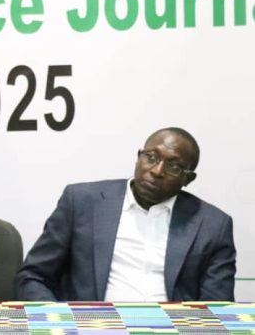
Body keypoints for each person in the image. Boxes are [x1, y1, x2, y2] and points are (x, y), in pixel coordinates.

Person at [15, 127, 236, 302]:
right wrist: (60, 323)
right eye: (151, 157)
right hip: (92, 327)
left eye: (173, 167)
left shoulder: (213, 226)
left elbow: (216, 307)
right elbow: (33, 276)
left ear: (188, 179)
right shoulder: (82, 202)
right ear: (139, 157)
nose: (157, 171)